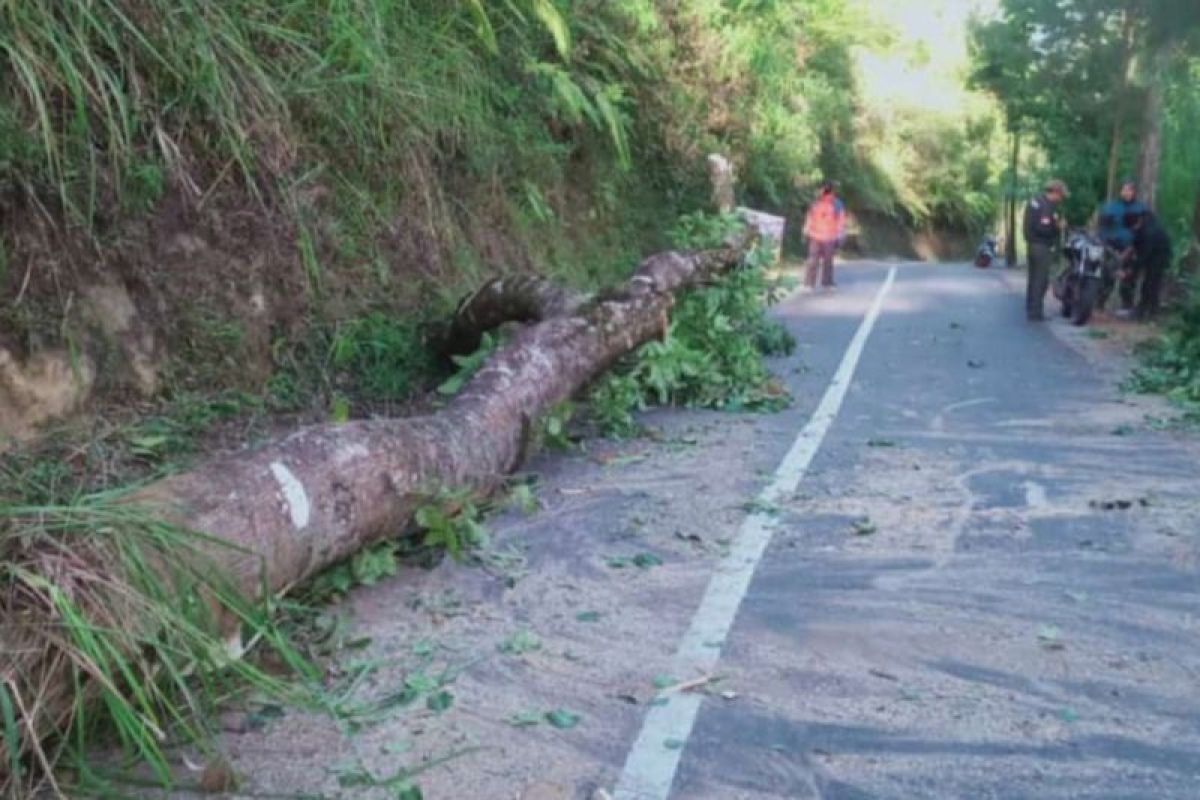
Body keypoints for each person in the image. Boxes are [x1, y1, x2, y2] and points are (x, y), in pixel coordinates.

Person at [1098, 180, 1147, 312]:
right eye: (1124, 190)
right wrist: (1104, 241)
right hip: (1111, 246)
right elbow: (1102, 226)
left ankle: (1127, 304)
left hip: (1131, 247)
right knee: (1107, 273)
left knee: (1129, 276)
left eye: (1129, 190)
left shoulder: (1141, 209)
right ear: (1120, 191)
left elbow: (1145, 229)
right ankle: (1100, 302)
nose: (1126, 193)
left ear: (1134, 192)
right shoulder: (1111, 207)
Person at [1023, 179, 1068, 320]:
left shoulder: (1036, 202)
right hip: (1041, 246)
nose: (1061, 199)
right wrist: (1057, 227)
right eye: (1061, 195)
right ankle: (1036, 312)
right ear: (1055, 192)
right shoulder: (1044, 206)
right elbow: (1042, 228)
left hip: (1033, 245)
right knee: (1040, 280)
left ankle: (1031, 307)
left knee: (1033, 277)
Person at [1126, 209, 1172, 321]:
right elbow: (1137, 246)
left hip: (1156, 259)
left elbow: (1144, 253)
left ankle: (1145, 311)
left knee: (1149, 285)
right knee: (1152, 285)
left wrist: (1133, 269)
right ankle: (1150, 311)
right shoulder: (1150, 228)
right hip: (1159, 258)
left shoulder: (1148, 231)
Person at [803, 180, 846, 290]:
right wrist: (840, 235)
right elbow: (810, 217)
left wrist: (806, 230)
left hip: (823, 236)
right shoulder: (819, 203)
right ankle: (821, 283)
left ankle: (812, 284)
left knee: (817, 260)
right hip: (823, 236)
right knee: (823, 261)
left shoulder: (835, 204)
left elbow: (840, 220)